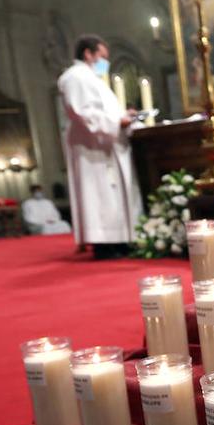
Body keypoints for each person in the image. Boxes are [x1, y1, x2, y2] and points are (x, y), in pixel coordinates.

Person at [57, 34, 143, 258]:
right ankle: (105, 243)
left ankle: (120, 240)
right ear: (88, 53)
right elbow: (81, 112)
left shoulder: (91, 78)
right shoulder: (75, 77)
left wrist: (123, 116)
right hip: (92, 148)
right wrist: (117, 122)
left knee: (110, 194)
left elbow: (102, 110)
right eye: (103, 56)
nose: (106, 61)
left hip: (105, 143)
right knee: (100, 195)